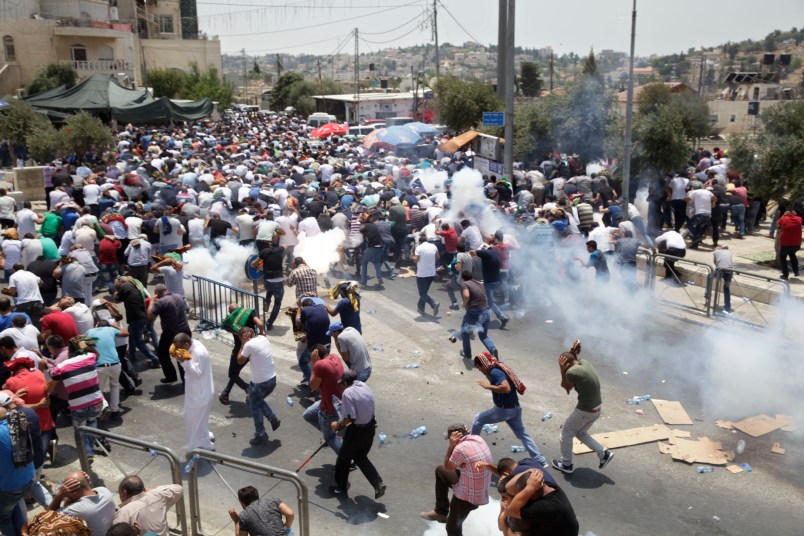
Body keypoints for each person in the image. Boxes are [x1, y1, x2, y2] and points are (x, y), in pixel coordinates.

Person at [470, 352, 547, 467]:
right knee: (523, 434)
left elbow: (506, 388)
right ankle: (540, 460)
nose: (479, 370)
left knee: (478, 420)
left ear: (484, 365)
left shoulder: (495, 372)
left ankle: (471, 449)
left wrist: (487, 386)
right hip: (515, 409)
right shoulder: (497, 367)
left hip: (504, 411)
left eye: (479, 367)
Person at [552, 340, 614, 474]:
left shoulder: (570, 372)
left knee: (566, 434)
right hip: (597, 408)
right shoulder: (585, 362)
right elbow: (574, 359)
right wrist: (572, 353)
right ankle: (604, 453)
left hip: (585, 410)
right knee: (580, 433)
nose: (562, 366)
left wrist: (562, 369)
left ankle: (566, 464)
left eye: (563, 363)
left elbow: (566, 386)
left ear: (566, 364)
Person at [420, 423, 492, 534]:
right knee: (441, 471)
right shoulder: (478, 439)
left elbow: (448, 465)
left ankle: (443, 514)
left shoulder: (460, 448)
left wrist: (451, 446)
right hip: (480, 488)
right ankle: (441, 512)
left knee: (452, 529)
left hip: (468, 497)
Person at [328, 370, 385, 499]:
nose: (342, 386)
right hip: (370, 428)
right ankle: (378, 484)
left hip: (357, 431)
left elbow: (350, 418)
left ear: (346, 383)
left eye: (342, 383)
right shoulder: (364, 386)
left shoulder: (347, 393)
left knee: (343, 458)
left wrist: (337, 426)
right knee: (360, 457)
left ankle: (341, 488)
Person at [47, 340, 105, 463]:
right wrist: (85, 345)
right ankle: (89, 450)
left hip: (78, 405)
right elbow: (97, 353)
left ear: (69, 352)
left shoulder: (61, 366)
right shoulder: (89, 357)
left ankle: (86, 453)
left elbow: (51, 381)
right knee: (92, 421)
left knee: (80, 429)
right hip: (96, 402)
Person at [171, 333, 215, 450]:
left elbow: (197, 373)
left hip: (200, 393)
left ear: (186, 344)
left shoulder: (198, 352)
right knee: (199, 419)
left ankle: (202, 444)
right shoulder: (193, 344)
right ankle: (204, 436)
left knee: (193, 418)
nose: (177, 351)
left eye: (179, 348)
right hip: (197, 391)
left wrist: (183, 362)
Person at [502, 469, 579, 536]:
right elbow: (508, 488)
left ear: (532, 494)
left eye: (523, 494)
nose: (519, 496)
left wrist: (503, 521)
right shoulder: (546, 486)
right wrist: (528, 471)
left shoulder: (546, 506)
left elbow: (512, 510)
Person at [237, 328, 280, 446]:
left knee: (253, 404)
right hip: (272, 379)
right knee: (253, 399)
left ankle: (261, 433)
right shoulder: (263, 338)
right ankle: (272, 418)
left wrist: (243, 343)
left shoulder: (248, 345)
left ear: (243, 337)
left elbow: (240, 360)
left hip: (260, 384)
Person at [301, 344, 343, 455]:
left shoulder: (319, 365)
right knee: (307, 415)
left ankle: (348, 460)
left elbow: (313, 387)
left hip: (329, 407)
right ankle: (330, 434)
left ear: (315, 354)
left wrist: (314, 363)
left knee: (330, 438)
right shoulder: (335, 357)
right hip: (332, 400)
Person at [220, 303, 264, 405]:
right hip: (252, 349)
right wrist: (262, 333)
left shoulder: (231, 321)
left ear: (231, 312)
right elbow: (260, 324)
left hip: (240, 351)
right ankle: (225, 394)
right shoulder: (248, 314)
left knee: (232, 374)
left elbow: (223, 326)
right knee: (236, 372)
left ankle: (247, 388)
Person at [47, 471, 116, 536]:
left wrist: (58, 496)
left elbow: (47, 519)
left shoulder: (77, 510)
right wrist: (85, 481)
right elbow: (87, 492)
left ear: (72, 492)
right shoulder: (104, 491)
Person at [147, 284, 191, 384]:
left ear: (157, 293)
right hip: (185, 330)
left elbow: (150, 315)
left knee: (162, 353)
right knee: (182, 354)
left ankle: (171, 376)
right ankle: (186, 379)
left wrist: (152, 302)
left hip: (170, 333)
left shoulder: (160, 302)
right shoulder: (179, 296)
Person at [113, 276, 159, 369]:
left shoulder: (123, 287)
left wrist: (116, 287)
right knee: (131, 331)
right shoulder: (134, 284)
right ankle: (132, 353)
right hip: (143, 315)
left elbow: (116, 300)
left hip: (137, 317)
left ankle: (155, 359)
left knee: (139, 342)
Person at [113, 476, 183, 536]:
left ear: (124, 493)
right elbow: (179, 488)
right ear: (143, 489)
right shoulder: (158, 496)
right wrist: (154, 491)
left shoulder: (124, 513)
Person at [86, 320, 127, 422]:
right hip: (115, 364)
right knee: (115, 385)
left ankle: (104, 407)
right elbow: (126, 333)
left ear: (97, 325)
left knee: (98, 389)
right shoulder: (111, 329)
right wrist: (116, 326)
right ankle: (115, 410)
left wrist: (93, 347)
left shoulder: (90, 332)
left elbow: (83, 346)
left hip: (100, 366)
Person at [458, 271, 497, 360]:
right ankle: (492, 349)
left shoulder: (465, 284)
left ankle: (467, 353)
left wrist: (464, 303)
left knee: (464, 332)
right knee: (483, 336)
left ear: (463, 278)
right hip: (486, 311)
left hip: (474, 313)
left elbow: (466, 296)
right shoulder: (479, 283)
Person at [228, 486, 295, 536]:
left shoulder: (244, 515)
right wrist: (286, 526)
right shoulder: (272, 501)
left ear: (242, 502)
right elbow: (290, 514)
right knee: (288, 530)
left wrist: (236, 520)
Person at [252, 240, 285, 329]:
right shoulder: (281, 249)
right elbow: (286, 245)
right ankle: (269, 323)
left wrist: (258, 267)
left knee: (269, 292)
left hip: (268, 281)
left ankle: (265, 309)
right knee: (277, 303)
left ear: (270, 244)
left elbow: (253, 264)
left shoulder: (264, 251)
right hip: (278, 281)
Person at [2, 264, 44, 328]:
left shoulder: (13, 276)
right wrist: (35, 288)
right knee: (36, 324)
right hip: (37, 302)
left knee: (20, 324)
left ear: (14, 270)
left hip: (23, 303)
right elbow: (41, 282)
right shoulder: (31, 273)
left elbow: (12, 292)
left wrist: (12, 291)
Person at [412, 233, 440, 316]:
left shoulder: (419, 248)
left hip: (422, 274)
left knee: (422, 293)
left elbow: (416, 260)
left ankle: (433, 304)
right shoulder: (433, 246)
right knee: (424, 292)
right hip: (431, 273)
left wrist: (412, 256)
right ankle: (421, 308)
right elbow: (438, 257)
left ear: (420, 241)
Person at [778, 209, 802, 280]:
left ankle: (785, 275)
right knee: (792, 254)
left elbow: (778, 223)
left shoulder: (784, 219)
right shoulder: (799, 219)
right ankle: (796, 271)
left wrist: (784, 215)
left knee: (783, 257)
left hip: (786, 243)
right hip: (796, 244)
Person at [713, 246, 734, 314]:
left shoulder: (716, 252)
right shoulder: (729, 252)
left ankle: (707, 293)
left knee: (709, 277)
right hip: (729, 271)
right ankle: (727, 307)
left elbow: (716, 263)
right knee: (726, 288)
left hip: (720, 270)